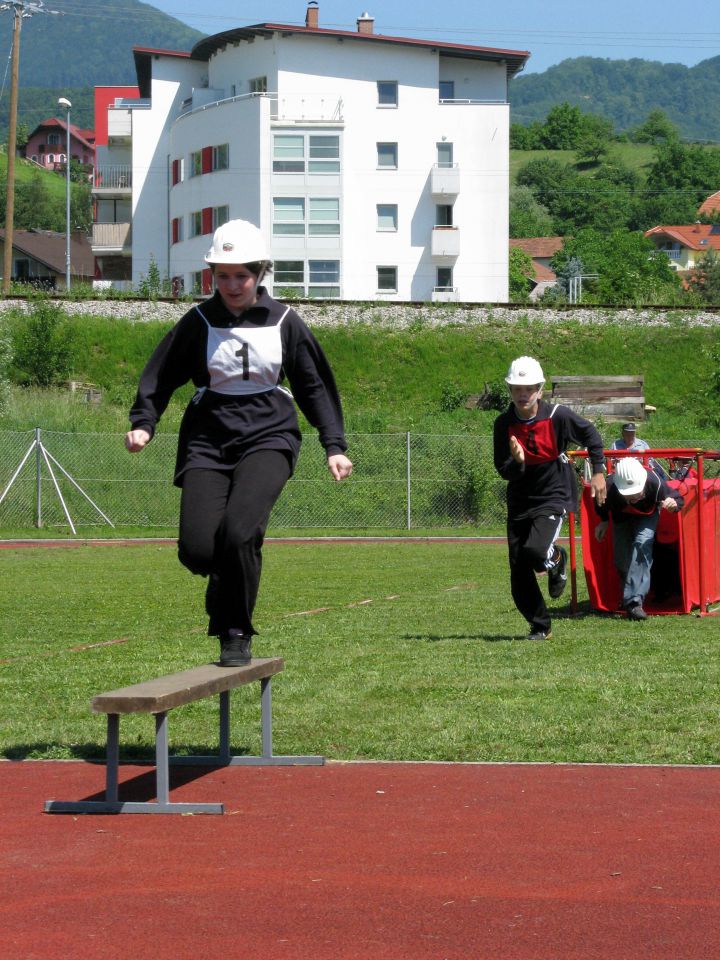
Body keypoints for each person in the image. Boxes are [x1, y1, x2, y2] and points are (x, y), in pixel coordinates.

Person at [125, 219, 353, 666]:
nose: (232, 285)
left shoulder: (285, 321)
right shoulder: (198, 321)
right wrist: (144, 422)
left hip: (269, 433)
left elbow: (314, 386)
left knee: (240, 532)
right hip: (208, 437)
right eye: (223, 275)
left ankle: (235, 630)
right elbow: (162, 372)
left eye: (242, 275)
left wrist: (334, 444)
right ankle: (224, 576)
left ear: (260, 273)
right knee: (198, 550)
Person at [493, 356, 607, 641]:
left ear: (540, 390)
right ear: (510, 390)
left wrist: (599, 472)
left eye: (529, 388)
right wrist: (518, 461)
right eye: (517, 388)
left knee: (535, 551)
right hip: (520, 498)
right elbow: (503, 469)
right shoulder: (503, 424)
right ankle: (540, 625)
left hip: (553, 493)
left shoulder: (558, 416)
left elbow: (591, 435)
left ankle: (556, 557)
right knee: (519, 569)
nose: (523, 394)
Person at [594, 457, 684, 620]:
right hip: (621, 518)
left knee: (642, 545)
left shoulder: (654, 482)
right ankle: (628, 596)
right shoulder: (609, 487)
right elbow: (599, 503)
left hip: (647, 517)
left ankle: (634, 604)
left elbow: (677, 498)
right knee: (621, 559)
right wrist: (604, 521)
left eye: (637, 493)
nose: (635, 498)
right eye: (630, 496)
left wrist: (673, 503)